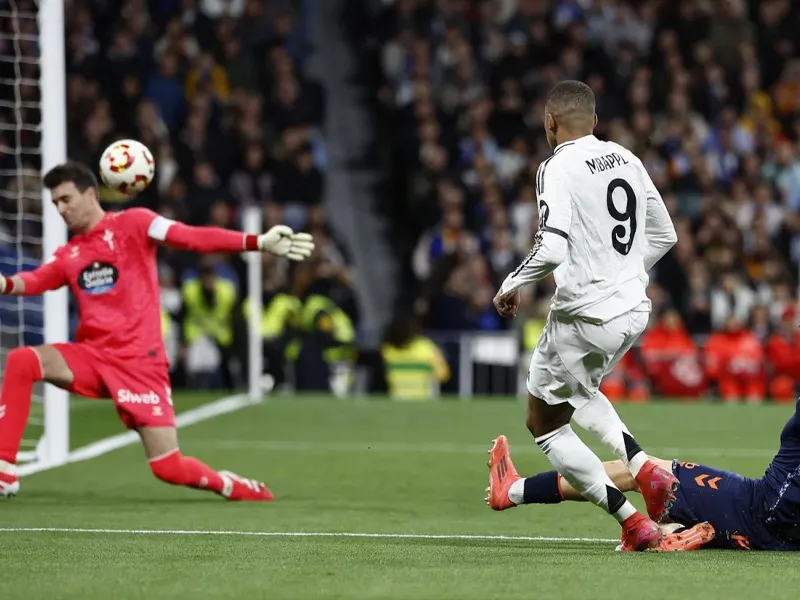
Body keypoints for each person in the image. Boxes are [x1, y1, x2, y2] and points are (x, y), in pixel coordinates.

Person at [0, 161, 314, 500]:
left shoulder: (136, 223)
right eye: (55, 203)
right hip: (93, 357)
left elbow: (191, 237)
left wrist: (257, 242)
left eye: (65, 199)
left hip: (140, 364)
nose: (60, 209)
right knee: (23, 360)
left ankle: (230, 485)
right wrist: (4, 282)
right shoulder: (70, 253)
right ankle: (4, 470)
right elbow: (34, 281)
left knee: (168, 468)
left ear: (90, 193)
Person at [491, 81, 679, 550]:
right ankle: (642, 467)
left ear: (550, 124)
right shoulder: (627, 158)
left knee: (545, 422)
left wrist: (511, 282)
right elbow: (665, 235)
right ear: (594, 122)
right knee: (579, 391)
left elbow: (551, 247)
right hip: (633, 310)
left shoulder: (556, 166)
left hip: (585, 314)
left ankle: (633, 519)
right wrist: (622, 275)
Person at [487, 395, 800, 551]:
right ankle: (675, 530)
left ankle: (514, 490)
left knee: (646, 473)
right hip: (783, 539)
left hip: (761, 507)